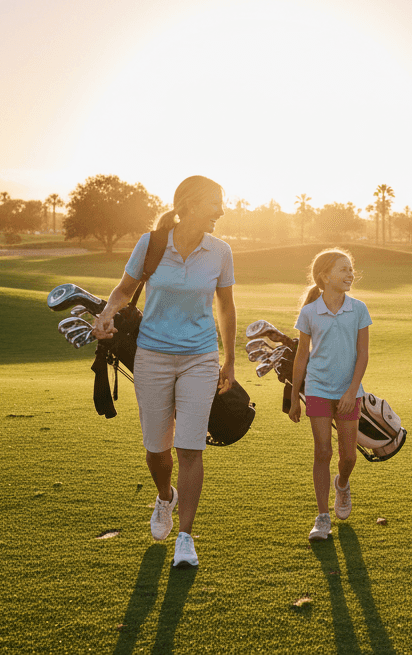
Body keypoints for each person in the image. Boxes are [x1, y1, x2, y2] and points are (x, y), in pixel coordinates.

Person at [92, 176, 235, 568]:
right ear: (188, 204)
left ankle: (185, 538)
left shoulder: (220, 251)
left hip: (199, 358)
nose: (221, 211)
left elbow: (225, 306)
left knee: (191, 447)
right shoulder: (152, 243)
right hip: (153, 355)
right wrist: (105, 315)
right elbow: (124, 290)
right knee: (158, 451)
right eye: (214, 203)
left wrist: (229, 359)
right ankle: (164, 496)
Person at [288, 249, 372, 542]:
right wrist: (293, 395)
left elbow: (363, 355)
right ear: (325, 276)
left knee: (348, 456)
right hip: (318, 389)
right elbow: (301, 356)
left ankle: (343, 484)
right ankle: (323, 517)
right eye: (343, 269)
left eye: (351, 269)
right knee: (323, 451)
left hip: (349, 392)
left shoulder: (359, 309)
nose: (350, 274)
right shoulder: (310, 312)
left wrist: (351, 391)